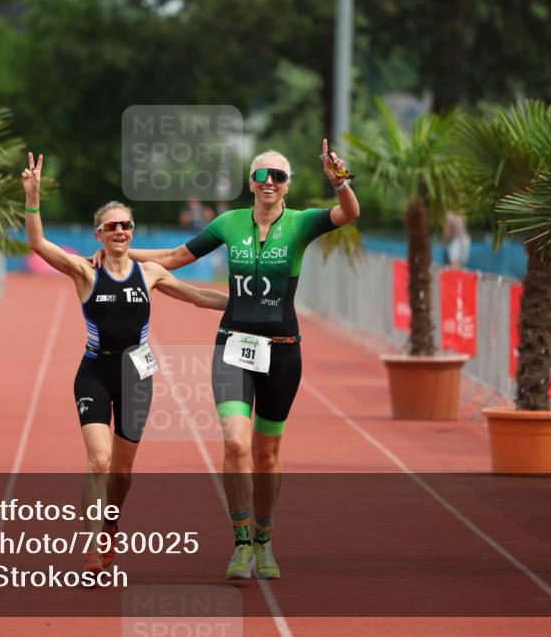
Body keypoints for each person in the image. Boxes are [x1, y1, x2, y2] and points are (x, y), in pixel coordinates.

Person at [100, 141, 359, 579]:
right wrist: (117, 254)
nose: (270, 182)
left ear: (288, 185)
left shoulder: (300, 224)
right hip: (233, 346)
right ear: (251, 183)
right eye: (262, 175)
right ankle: (241, 542)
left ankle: (264, 538)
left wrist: (340, 183)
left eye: (278, 176)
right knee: (236, 443)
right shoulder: (229, 223)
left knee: (267, 452)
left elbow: (348, 213)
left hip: (283, 350)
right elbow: (173, 259)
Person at [21, 152, 228, 573]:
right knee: (99, 459)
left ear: (132, 232)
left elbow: (199, 297)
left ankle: (110, 526)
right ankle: (94, 543)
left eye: (125, 225)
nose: (119, 231)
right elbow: (38, 245)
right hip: (95, 372)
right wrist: (32, 198)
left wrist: (249, 308)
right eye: (111, 226)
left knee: (122, 473)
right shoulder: (85, 273)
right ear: (99, 235)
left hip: (136, 377)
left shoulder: (149, 273)